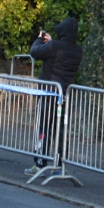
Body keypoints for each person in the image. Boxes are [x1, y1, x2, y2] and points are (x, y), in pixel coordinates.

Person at [23, 17, 84, 176]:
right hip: (64, 96)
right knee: (60, 131)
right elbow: (60, 52)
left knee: (43, 128)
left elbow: (35, 52)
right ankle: (59, 165)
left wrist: (39, 39)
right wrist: (51, 43)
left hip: (47, 94)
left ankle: (40, 164)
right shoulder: (77, 50)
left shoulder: (54, 47)